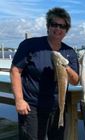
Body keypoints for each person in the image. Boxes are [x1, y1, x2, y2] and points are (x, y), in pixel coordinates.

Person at [10, 7, 79, 140]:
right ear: (48, 26)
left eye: (62, 26)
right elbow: (15, 71)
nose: (58, 29)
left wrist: (65, 66)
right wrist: (19, 100)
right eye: (54, 24)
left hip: (58, 108)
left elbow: (75, 80)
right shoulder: (30, 45)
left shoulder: (69, 52)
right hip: (32, 108)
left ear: (66, 30)